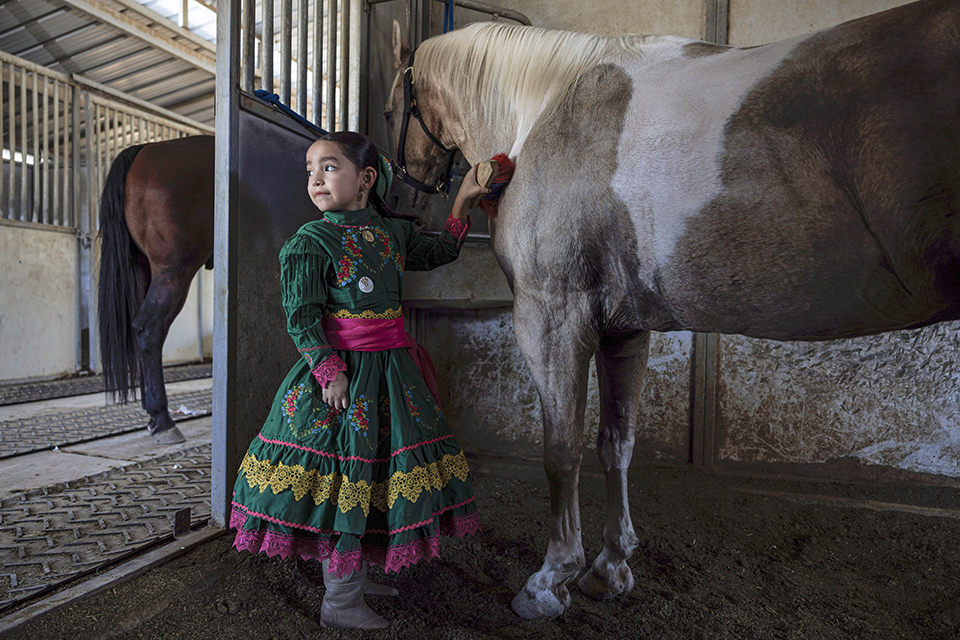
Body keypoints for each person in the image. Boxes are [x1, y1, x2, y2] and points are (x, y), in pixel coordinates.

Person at [229, 131, 489, 630]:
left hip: (392, 374)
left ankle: (358, 571)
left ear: (366, 178)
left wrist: (461, 201)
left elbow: (440, 253)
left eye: (328, 167)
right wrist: (328, 371)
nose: (315, 179)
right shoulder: (310, 243)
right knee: (345, 475)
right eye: (310, 170)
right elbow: (302, 318)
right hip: (343, 377)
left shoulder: (392, 234)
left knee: (375, 476)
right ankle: (340, 602)